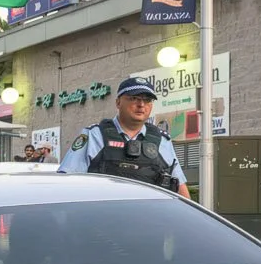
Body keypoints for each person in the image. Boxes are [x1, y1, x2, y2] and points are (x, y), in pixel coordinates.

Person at [58, 76, 189, 196]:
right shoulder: (95, 136)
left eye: (147, 100)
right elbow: (66, 183)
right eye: (133, 98)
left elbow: (181, 189)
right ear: (118, 102)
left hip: (149, 213)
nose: (141, 104)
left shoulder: (162, 141)